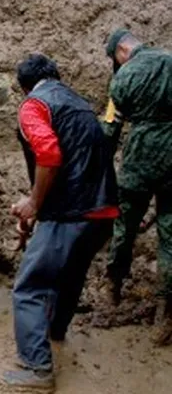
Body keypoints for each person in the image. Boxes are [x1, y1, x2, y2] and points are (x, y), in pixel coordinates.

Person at [0, 53, 118, 390]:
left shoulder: (34, 105)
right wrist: (37, 207)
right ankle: (55, 331)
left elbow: (49, 154)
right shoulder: (79, 104)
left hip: (70, 214)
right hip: (102, 212)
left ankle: (38, 369)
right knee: (70, 276)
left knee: (29, 288)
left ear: (24, 87)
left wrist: (34, 203)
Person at [103, 28, 172, 346]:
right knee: (169, 239)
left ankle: (113, 288)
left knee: (125, 227)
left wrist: (101, 167)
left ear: (121, 52)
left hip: (139, 163)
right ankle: (165, 312)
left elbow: (110, 129)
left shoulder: (123, 78)